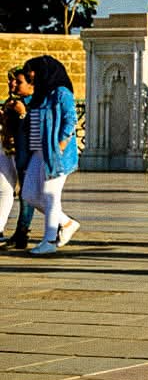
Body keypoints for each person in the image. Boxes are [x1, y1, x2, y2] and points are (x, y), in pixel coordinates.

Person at [21, 56, 79, 254]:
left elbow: (71, 119)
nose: (31, 75)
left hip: (55, 153)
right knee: (28, 194)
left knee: (50, 195)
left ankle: (50, 241)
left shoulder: (61, 93)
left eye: (33, 70)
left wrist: (61, 145)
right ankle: (67, 223)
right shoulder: (41, 94)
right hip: (38, 152)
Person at [2, 67, 34, 249]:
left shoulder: (31, 103)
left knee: (30, 195)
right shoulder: (14, 101)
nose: (12, 84)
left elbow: (33, 127)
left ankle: (23, 232)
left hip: (27, 155)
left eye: (17, 81)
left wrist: (22, 113)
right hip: (14, 154)